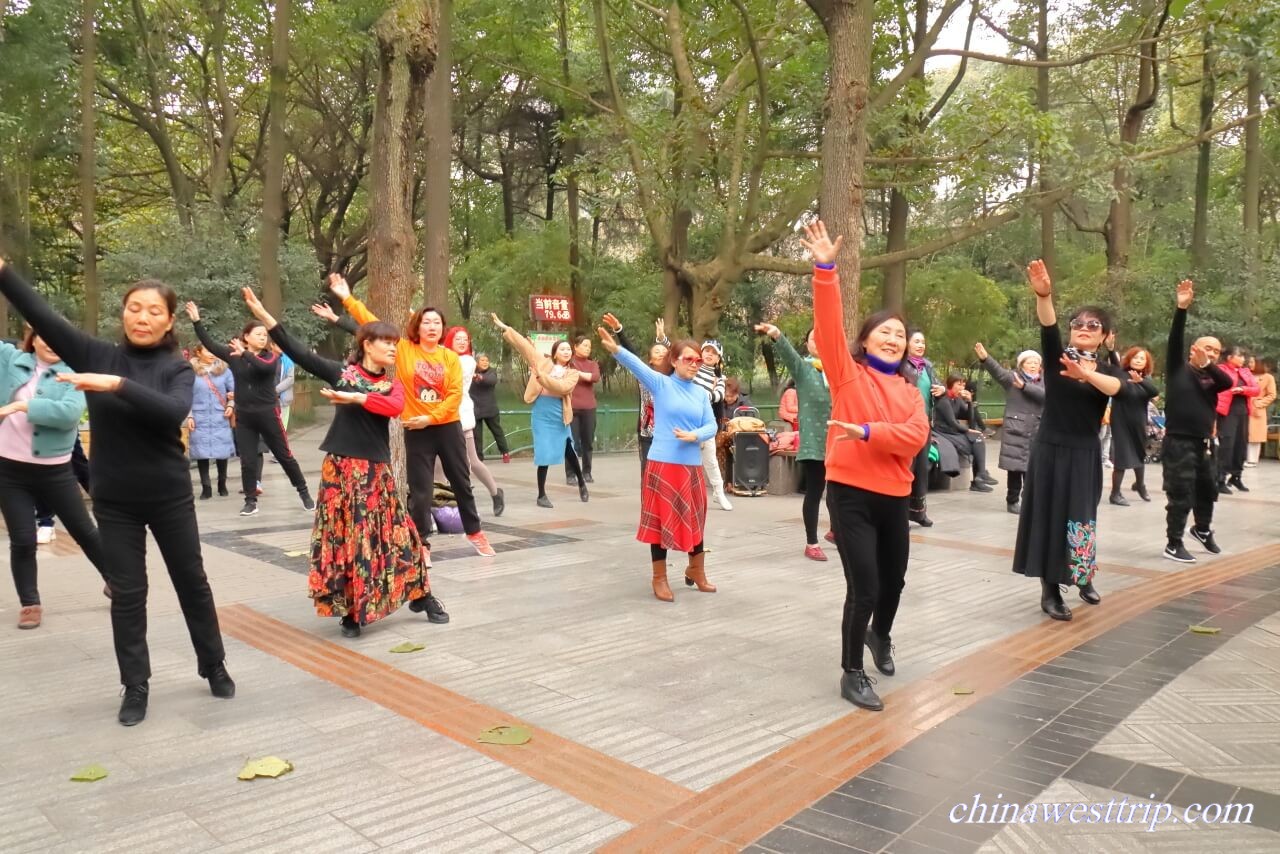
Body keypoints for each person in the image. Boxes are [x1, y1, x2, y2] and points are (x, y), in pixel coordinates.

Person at [0, 259, 234, 726]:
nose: (141, 318)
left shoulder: (177, 369)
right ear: (122, 313)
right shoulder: (96, 354)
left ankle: (213, 663)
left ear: (169, 320)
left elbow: (170, 412)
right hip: (115, 500)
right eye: (133, 308)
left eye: (152, 311)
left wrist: (117, 385)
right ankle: (135, 685)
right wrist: (5, 273)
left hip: (169, 496)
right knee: (128, 594)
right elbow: (43, 316)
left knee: (193, 583)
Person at [239, 287, 448, 636]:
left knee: (398, 534)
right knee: (347, 538)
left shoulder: (393, 385)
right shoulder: (342, 372)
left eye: (396, 344)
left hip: (375, 472)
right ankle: (352, 610)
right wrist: (264, 315)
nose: (393, 349)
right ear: (368, 345)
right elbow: (299, 352)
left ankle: (421, 593)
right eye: (387, 343)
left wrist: (355, 397)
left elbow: (394, 409)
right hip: (340, 469)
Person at [804, 220, 929, 712]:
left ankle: (882, 636)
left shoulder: (910, 388)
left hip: (894, 496)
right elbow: (829, 323)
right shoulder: (846, 375)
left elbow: (916, 437)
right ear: (865, 339)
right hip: (851, 492)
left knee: (894, 580)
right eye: (885, 332)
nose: (894, 338)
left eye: (900, 334)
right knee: (866, 585)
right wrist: (825, 269)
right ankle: (852, 672)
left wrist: (873, 433)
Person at [328, 277, 495, 557]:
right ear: (417, 325)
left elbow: (454, 395)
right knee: (420, 490)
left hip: (446, 426)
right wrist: (347, 298)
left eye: (437, 323)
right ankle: (422, 543)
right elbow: (370, 322)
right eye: (426, 322)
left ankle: (475, 532)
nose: (432, 327)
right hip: (416, 431)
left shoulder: (450, 358)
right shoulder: (404, 349)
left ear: (443, 329)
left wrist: (430, 418)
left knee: (462, 483)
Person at [1012, 259, 1126, 622]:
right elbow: (1047, 323)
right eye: (1078, 323)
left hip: (1084, 452)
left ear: (1105, 335)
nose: (1084, 328)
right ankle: (1050, 588)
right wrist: (1043, 293)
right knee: (1049, 516)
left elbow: (1117, 389)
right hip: (1049, 450)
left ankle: (1081, 575)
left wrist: (1087, 375)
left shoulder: (1108, 369)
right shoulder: (1057, 356)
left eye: (1094, 325)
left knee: (1082, 518)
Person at [0, 326, 110, 629]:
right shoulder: (10, 359)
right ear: (32, 338)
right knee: (22, 540)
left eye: (57, 337)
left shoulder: (74, 373)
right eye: (43, 335)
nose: (50, 342)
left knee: (85, 531)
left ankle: (117, 581)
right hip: (10, 470)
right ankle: (30, 603)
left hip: (55, 471)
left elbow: (67, 415)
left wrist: (20, 405)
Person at [597, 327, 717, 602]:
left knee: (696, 520)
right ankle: (659, 578)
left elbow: (711, 425)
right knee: (660, 523)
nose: (694, 365)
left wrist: (695, 435)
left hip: (691, 468)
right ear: (674, 361)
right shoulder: (661, 384)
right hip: (663, 464)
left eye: (698, 361)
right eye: (688, 359)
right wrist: (615, 348)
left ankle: (697, 571)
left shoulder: (700, 393)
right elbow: (636, 365)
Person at [185, 302, 314, 516]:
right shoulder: (233, 355)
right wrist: (197, 321)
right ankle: (250, 501)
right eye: (258, 334)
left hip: (268, 413)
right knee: (247, 460)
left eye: (265, 334)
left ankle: (304, 494)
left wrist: (244, 353)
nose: (264, 337)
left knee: (285, 456)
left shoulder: (270, 356)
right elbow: (210, 343)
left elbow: (263, 368)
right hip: (245, 416)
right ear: (246, 337)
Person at [1160, 281, 1233, 563]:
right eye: (1206, 349)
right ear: (1193, 350)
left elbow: (1227, 382)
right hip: (1179, 443)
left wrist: (1209, 365)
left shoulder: (1212, 378)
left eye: (1216, 351)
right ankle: (1173, 542)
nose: (1212, 353)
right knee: (1181, 493)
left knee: (1208, 488)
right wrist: (1181, 308)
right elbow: (1174, 339)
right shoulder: (1178, 369)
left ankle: (1201, 529)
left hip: (1205, 444)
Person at [490, 314, 587, 508]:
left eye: (569, 349)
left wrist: (542, 377)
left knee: (569, 450)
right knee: (543, 451)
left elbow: (562, 388)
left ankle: (582, 483)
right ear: (555, 352)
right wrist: (505, 327)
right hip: (542, 413)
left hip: (560, 415)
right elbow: (523, 346)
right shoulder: (542, 362)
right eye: (563, 349)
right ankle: (541, 495)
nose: (567, 352)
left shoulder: (572, 373)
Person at [756, 323, 834, 561]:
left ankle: (836, 531)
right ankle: (811, 542)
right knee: (815, 491)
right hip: (813, 441)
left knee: (839, 491)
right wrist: (777, 335)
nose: (818, 342)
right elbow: (789, 354)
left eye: (823, 337)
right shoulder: (803, 368)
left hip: (839, 441)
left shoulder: (838, 370)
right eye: (813, 339)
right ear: (808, 344)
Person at [974, 343, 1044, 513]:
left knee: (1032, 469)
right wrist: (985, 358)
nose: (1033, 365)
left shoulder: (1044, 381)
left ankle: (1030, 501)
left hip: (1037, 430)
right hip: (1016, 430)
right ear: (1022, 365)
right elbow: (997, 371)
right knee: (1015, 469)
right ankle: (1012, 501)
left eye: (1036, 362)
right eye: (1029, 362)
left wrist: (1025, 387)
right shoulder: (1013, 378)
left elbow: (1044, 396)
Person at [443, 326, 504, 516]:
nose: (462, 342)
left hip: (461, 415)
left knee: (472, 460)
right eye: (458, 338)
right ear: (450, 340)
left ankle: (496, 492)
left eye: (465, 339)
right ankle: (440, 508)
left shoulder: (468, 361)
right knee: (438, 464)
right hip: (441, 415)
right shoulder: (442, 356)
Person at [605, 313, 669, 473]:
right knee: (648, 471)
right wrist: (619, 330)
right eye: (657, 352)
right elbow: (631, 354)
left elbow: (680, 354)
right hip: (648, 432)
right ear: (650, 360)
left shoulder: (674, 376)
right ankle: (647, 498)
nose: (661, 353)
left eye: (663, 351)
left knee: (666, 472)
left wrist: (662, 340)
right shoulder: (644, 374)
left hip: (670, 432)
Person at [1107, 347, 1159, 506]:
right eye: (1135, 357)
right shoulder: (1121, 375)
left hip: (1138, 422)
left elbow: (1154, 392)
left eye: (1142, 358)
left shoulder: (1146, 381)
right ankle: (1115, 494)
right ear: (1129, 359)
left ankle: (1140, 485)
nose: (1138, 360)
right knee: (1122, 458)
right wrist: (1110, 349)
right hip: (1121, 421)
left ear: (1146, 363)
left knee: (1139, 453)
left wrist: (1140, 381)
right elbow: (1115, 364)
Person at [187, 344, 235, 500]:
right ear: (198, 353)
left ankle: (222, 483)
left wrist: (231, 405)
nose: (212, 354)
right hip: (199, 417)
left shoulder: (225, 371)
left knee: (222, 452)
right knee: (202, 453)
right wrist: (190, 415)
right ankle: (206, 487)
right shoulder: (190, 372)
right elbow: (185, 395)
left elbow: (233, 391)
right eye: (208, 350)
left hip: (220, 416)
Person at [905, 330, 943, 526]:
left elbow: (937, 388)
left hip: (925, 423)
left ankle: (918, 512)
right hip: (906, 423)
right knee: (907, 468)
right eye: (916, 341)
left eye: (923, 342)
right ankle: (901, 515)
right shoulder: (901, 365)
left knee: (921, 468)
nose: (921, 345)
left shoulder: (928, 366)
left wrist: (941, 390)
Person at [933, 375, 997, 493]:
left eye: (963, 385)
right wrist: (968, 431)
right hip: (943, 433)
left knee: (978, 439)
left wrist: (969, 402)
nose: (962, 387)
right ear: (950, 385)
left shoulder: (957, 400)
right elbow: (952, 422)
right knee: (977, 440)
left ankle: (980, 477)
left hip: (954, 432)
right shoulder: (944, 401)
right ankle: (980, 477)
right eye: (959, 384)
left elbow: (970, 419)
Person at [692, 340, 734, 511]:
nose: (709, 354)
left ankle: (718, 492)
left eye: (713, 352)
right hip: (687, 421)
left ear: (718, 358)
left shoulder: (720, 378)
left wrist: (699, 394)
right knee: (687, 460)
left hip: (705, 422)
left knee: (710, 460)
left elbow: (718, 396)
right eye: (706, 350)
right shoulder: (692, 369)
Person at [1215, 345, 1259, 493]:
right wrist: (1232, 390)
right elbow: (1220, 388)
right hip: (1227, 411)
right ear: (1230, 357)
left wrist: (1243, 389)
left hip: (1243, 412)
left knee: (1241, 444)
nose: (1242, 359)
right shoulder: (1221, 369)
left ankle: (1236, 476)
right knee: (1227, 444)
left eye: (1243, 356)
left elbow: (1256, 389)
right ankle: (1220, 478)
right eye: (1239, 356)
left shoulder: (1245, 372)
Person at [567, 334, 600, 484]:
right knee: (571, 442)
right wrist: (582, 375)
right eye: (585, 345)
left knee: (588, 441)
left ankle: (587, 472)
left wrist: (578, 374)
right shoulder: (569, 362)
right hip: (572, 407)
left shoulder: (592, 364)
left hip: (589, 407)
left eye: (589, 346)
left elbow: (594, 377)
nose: (588, 348)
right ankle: (571, 474)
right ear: (575, 346)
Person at [471, 353, 510, 463]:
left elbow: (490, 381)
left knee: (497, 431)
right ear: (477, 362)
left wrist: (479, 377)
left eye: (486, 360)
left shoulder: (491, 372)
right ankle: (479, 458)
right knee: (476, 436)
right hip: (475, 409)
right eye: (482, 360)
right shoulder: (470, 372)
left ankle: (505, 452)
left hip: (490, 409)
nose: (485, 362)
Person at [1247, 357, 1275, 467]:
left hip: (1256, 408)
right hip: (1244, 406)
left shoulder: (1268, 377)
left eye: (1252, 362)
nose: (1249, 364)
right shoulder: (1247, 374)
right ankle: (1241, 458)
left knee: (1254, 435)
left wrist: (1259, 403)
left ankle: (1252, 460)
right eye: (1249, 362)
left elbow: (1272, 394)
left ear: (1259, 364)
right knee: (1243, 433)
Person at [275, 342, 296, 430]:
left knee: (282, 428)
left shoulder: (288, 360)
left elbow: (290, 379)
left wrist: (275, 390)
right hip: (267, 399)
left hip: (283, 399)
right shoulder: (265, 358)